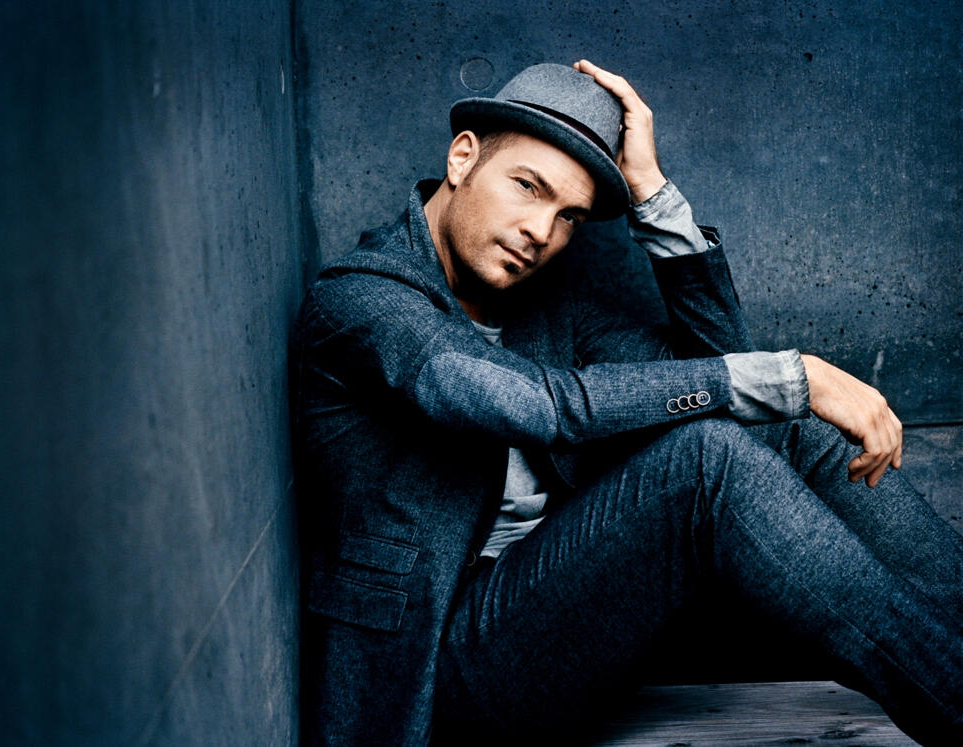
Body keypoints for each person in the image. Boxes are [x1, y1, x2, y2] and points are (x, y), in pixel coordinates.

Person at [291, 60, 962, 746]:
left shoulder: (541, 306)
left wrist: (653, 194)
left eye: (568, 216)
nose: (540, 231)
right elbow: (533, 404)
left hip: (561, 618)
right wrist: (785, 375)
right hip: (436, 667)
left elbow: (724, 383)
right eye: (527, 187)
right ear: (463, 158)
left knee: (793, 425)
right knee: (714, 456)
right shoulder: (364, 302)